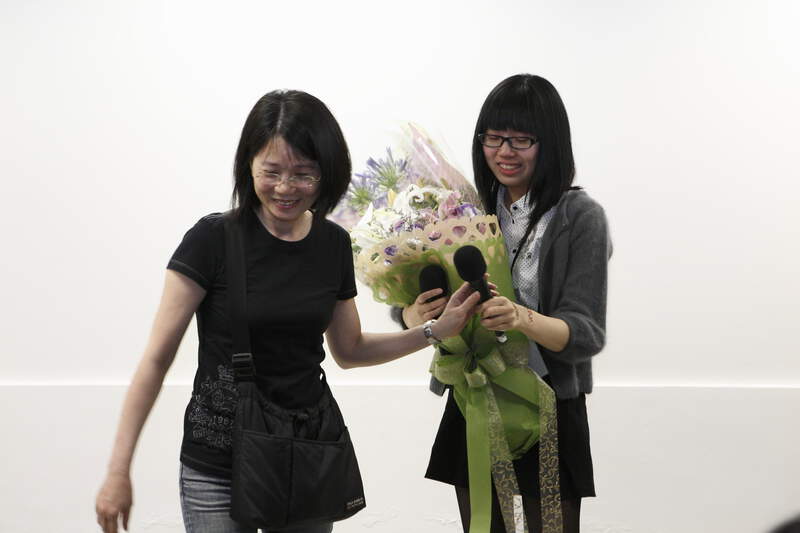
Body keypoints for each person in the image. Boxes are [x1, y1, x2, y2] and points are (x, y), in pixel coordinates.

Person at [94, 89, 482, 533]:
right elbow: (156, 360)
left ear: (327, 173)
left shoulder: (332, 244)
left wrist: (434, 330)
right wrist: (118, 471)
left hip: (305, 453)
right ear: (248, 166)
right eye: (271, 171)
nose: (284, 187)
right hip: (218, 461)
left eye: (303, 174)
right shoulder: (212, 240)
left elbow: (350, 350)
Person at [399, 74, 612, 533]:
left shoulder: (580, 217)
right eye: (493, 138)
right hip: (475, 394)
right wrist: (411, 315)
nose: (504, 152)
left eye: (521, 140)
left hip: (548, 401)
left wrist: (521, 317)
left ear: (550, 143)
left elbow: (585, 334)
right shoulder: (462, 210)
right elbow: (417, 302)